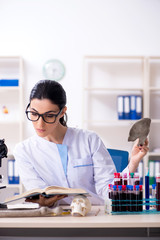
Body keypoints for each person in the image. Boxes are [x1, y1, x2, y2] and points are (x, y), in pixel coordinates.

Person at [13, 80, 149, 207]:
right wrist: (43, 200)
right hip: (53, 218)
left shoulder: (89, 139)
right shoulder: (23, 150)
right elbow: (38, 193)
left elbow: (107, 190)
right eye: (34, 114)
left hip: (94, 215)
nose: (39, 123)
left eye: (49, 116)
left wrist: (132, 164)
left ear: (62, 112)